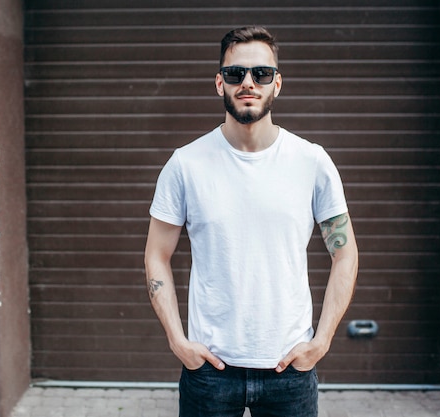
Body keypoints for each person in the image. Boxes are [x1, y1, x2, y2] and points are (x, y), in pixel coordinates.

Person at [144, 26, 358, 417]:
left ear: (277, 84)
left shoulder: (311, 162)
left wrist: (322, 339)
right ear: (218, 82)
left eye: (260, 73)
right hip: (210, 369)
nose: (247, 83)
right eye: (235, 73)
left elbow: (344, 253)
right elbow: (157, 254)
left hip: (290, 368)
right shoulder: (185, 165)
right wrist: (177, 340)